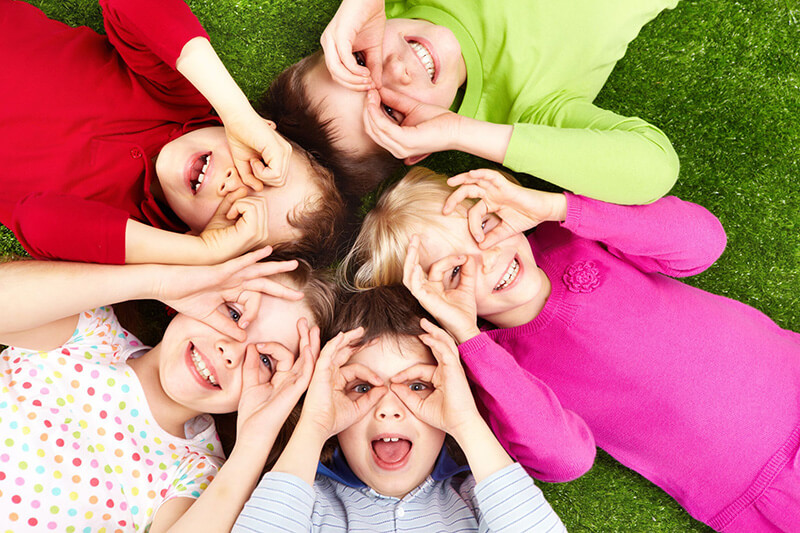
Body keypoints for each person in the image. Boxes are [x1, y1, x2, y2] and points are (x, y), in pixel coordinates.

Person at [341, 167, 800, 532]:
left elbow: (703, 243)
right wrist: (467, 336)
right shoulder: (498, 368)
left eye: (484, 224)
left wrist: (556, 207)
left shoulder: (572, 235)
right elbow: (565, 460)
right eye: (456, 274)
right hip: (761, 488)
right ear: (436, 304)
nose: (489, 256)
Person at [0, 247, 336, 531]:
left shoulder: (197, 472)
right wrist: (160, 281)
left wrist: (255, 441)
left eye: (265, 360)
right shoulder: (92, 334)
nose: (230, 350)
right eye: (233, 313)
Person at [0, 0, 346, 267]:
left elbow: (36, 220)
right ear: (265, 133)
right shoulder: (179, 99)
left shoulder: (129, 237)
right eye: (259, 166)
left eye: (239, 214)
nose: (232, 184)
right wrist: (236, 110)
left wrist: (198, 252)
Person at [263, 0, 680, 200]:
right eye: (391, 110)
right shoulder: (529, 109)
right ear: (418, 142)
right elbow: (653, 169)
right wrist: (467, 135)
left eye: (359, 60)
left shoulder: (393, 7)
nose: (396, 69)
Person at [234, 285, 565, 532]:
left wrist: (466, 422)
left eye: (417, 386)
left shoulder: (478, 501)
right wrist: (314, 425)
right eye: (362, 388)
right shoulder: (306, 503)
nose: (388, 409)